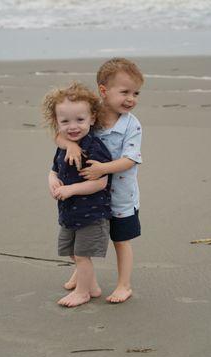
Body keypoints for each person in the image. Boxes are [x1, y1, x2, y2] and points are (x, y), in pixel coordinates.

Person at [51, 58, 144, 304]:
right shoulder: (90, 115)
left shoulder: (131, 125)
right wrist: (70, 144)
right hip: (91, 198)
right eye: (125, 92)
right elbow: (60, 134)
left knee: (120, 241)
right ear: (104, 91)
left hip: (120, 195)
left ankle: (124, 285)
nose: (131, 99)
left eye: (136, 93)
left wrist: (103, 168)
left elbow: (130, 159)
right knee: (84, 238)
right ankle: (82, 274)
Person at [43, 82, 112, 307]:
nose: (73, 126)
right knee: (72, 252)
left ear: (92, 118)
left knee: (82, 255)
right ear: (57, 122)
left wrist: (70, 189)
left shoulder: (94, 147)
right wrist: (53, 183)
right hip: (69, 212)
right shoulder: (63, 146)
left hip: (91, 213)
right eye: (65, 121)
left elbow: (101, 182)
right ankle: (91, 286)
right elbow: (53, 171)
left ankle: (82, 292)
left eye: (80, 120)